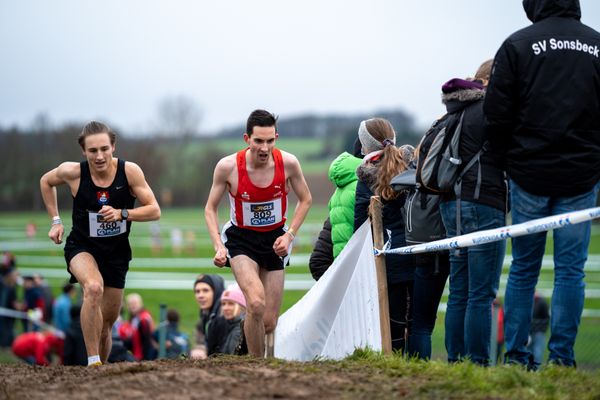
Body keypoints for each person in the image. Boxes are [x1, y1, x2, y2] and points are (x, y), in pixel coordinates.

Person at [484, 0, 600, 368]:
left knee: (523, 268)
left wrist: (507, 165)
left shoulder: (517, 45)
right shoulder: (596, 46)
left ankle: (517, 358)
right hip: (582, 177)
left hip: (527, 175)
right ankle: (562, 359)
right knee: (572, 270)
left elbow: (496, 115)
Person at [39, 120, 161, 366]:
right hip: (82, 247)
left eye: (104, 149)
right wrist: (55, 220)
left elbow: (154, 210)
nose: (99, 156)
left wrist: (122, 213)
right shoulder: (73, 172)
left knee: (107, 323)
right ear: (84, 151)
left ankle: (100, 371)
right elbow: (45, 181)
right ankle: (92, 362)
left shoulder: (130, 172)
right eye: (93, 150)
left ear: (113, 147)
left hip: (116, 253)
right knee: (93, 288)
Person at [204, 109, 312, 357]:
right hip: (241, 240)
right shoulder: (228, 167)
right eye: (259, 141)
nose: (265, 148)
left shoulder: (289, 164)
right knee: (255, 302)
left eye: (270, 140)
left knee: (269, 320)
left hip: (275, 239)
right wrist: (219, 246)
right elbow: (210, 208)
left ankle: (249, 349)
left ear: (276, 137)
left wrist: (290, 235)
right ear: (246, 139)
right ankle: (256, 367)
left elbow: (306, 199)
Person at [437, 61, 508, 366]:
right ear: (494, 79)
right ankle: (478, 366)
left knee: (460, 292)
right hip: (484, 204)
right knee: (482, 294)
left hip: (450, 206)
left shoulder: (453, 112)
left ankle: (456, 362)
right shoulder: (492, 109)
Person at [354, 118, 415, 353]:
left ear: (366, 147)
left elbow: (360, 229)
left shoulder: (366, 179)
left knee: (396, 324)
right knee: (419, 324)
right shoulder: (412, 167)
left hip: (390, 262)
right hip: (421, 253)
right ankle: (420, 367)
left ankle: (396, 367)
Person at [190, 274, 225, 359]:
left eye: (205, 290)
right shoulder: (205, 314)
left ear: (216, 291)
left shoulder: (224, 316)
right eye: (197, 291)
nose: (200, 295)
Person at [211, 285, 247, 355]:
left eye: (231, 304)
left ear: (242, 306)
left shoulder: (240, 330)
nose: (225, 308)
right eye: (223, 304)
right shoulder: (228, 325)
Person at [124, 293, 156, 361]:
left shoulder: (143, 318)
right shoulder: (134, 318)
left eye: (135, 303)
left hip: (143, 355)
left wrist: (144, 358)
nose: (132, 306)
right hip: (138, 353)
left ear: (141, 304)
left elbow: (147, 340)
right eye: (130, 304)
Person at [527, 292, 550, 365]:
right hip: (529, 332)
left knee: (537, 353)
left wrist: (534, 324)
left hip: (539, 332)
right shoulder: (529, 301)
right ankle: (530, 368)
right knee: (529, 351)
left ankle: (536, 369)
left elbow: (546, 318)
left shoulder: (542, 302)